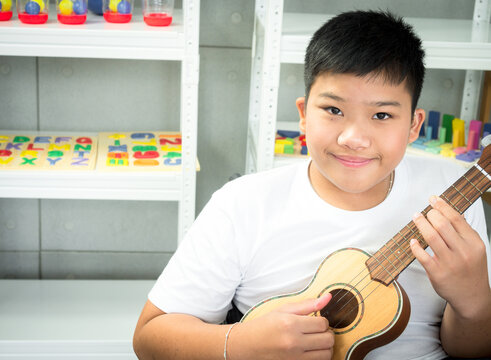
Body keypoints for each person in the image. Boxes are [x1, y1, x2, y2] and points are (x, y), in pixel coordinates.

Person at [133, 10, 491, 360]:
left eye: (382, 115)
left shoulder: (451, 196)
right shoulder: (242, 204)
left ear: (414, 125)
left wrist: (473, 302)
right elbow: (150, 338)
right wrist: (237, 343)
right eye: (333, 110)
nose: (354, 138)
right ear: (304, 115)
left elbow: (470, 349)